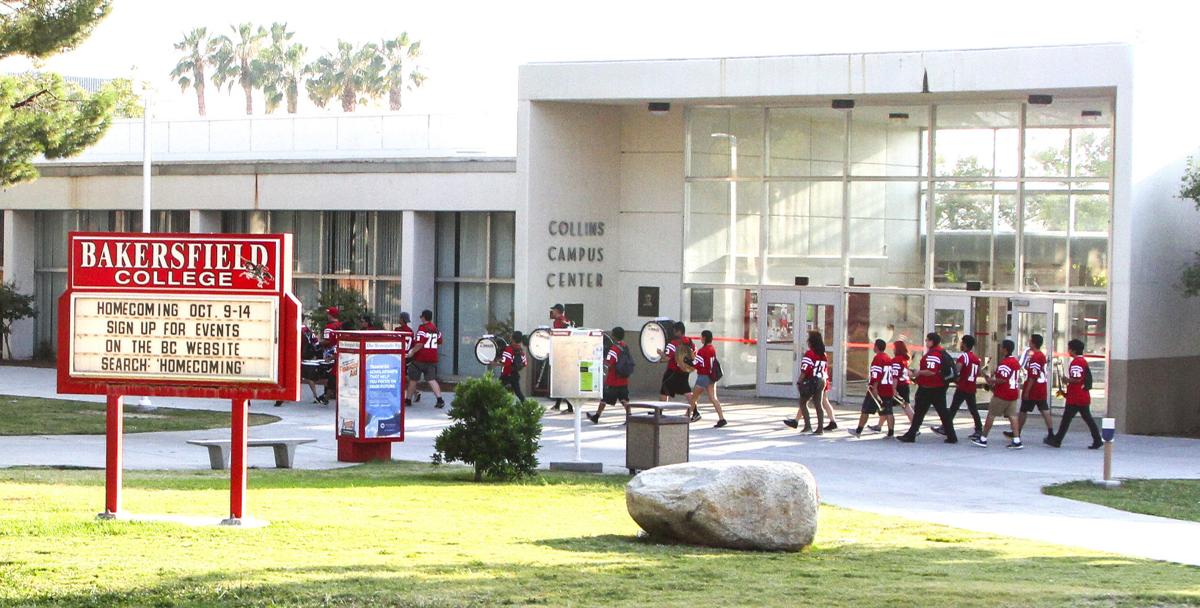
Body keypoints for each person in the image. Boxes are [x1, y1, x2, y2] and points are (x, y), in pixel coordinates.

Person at [898, 333, 956, 444]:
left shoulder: (933, 354)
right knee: (942, 413)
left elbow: (931, 371)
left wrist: (918, 372)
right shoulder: (941, 352)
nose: (926, 342)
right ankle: (951, 436)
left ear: (932, 341)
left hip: (929, 388)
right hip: (938, 387)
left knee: (920, 412)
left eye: (927, 340)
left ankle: (911, 435)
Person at [1045, 339, 1103, 449]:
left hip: (1075, 397)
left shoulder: (1076, 362)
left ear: (1073, 350)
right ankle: (1097, 439)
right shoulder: (1083, 361)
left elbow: (1077, 378)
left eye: (1069, 349)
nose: (1068, 351)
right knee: (1087, 419)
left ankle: (1057, 440)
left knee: (1066, 419)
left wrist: (1067, 380)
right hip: (1082, 396)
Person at [972, 339, 1024, 449]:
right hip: (1013, 393)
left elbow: (1002, 379)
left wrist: (991, 381)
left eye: (1001, 347)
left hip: (1002, 394)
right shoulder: (1015, 362)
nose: (1000, 349)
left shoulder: (1005, 363)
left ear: (1005, 349)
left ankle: (983, 438)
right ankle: (1017, 439)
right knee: (1013, 416)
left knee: (991, 415)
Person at [932, 335, 984, 441]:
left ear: (964, 344)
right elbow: (978, 372)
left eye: (961, 342)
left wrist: (952, 377)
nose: (960, 344)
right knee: (973, 409)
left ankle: (946, 427)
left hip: (963, 386)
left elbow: (957, 370)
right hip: (971, 386)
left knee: (953, 408)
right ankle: (979, 429)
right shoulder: (976, 358)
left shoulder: (964, 357)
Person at [783, 331, 827, 434]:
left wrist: (799, 382)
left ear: (811, 342)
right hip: (821, 380)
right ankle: (820, 428)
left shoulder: (809, 353)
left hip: (811, 381)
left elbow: (805, 369)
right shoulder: (823, 354)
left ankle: (808, 426)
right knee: (818, 404)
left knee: (803, 402)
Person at [1012, 334, 1054, 441]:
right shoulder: (1040, 355)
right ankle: (1050, 432)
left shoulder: (1036, 357)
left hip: (1034, 388)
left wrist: (1027, 391)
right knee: (1044, 409)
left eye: (1030, 341)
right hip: (1041, 387)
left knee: (1023, 410)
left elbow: (1033, 376)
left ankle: (1017, 432)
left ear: (1033, 343)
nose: (1028, 343)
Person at [849, 339, 896, 437]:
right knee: (889, 411)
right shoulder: (888, 358)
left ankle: (858, 431)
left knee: (865, 410)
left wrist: (874, 387)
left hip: (878, 389)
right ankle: (891, 432)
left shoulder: (878, 358)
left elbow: (876, 374)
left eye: (874, 345)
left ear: (877, 347)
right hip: (888, 388)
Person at [587, 327, 633, 424]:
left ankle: (596, 416)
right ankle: (629, 417)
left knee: (604, 398)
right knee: (624, 399)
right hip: (623, 378)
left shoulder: (614, 349)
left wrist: (599, 360)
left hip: (613, 379)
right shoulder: (625, 346)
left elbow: (609, 363)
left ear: (613, 336)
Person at [869, 340, 915, 433]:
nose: (893, 349)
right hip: (904, 385)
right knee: (892, 406)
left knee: (904, 406)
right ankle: (879, 425)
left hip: (899, 386)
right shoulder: (904, 359)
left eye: (894, 347)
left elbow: (895, 375)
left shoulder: (896, 360)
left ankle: (915, 427)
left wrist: (893, 388)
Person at [406, 310, 446, 408]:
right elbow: (440, 341)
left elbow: (419, 344)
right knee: (431, 379)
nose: (420, 318)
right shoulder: (436, 329)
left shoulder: (422, 329)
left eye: (421, 316)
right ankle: (440, 400)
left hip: (419, 358)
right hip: (432, 358)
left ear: (423, 317)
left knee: (413, 379)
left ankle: (408, 400)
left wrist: (411, 352)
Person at [687, 330, 728, 428]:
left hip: (703, 377)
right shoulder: (712, 349)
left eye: (701, 337)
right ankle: (722, 419)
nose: (700, 339)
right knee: (713, 398)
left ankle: (686, 417)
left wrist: (688, 361)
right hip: (711, 377)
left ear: (704, 338)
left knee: (694, 398)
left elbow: (696, 364)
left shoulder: (702, 350)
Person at [658, 322, 695, 402]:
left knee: (664, 390)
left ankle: (659, 410)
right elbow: (693, 354)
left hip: (673, 370)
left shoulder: (673, 343)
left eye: (674, 331)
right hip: (685, 369)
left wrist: (660, 353)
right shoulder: (690, 342)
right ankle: (694, 410)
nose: (673, 333)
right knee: (686, 390)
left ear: (679, 331)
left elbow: (668, 357)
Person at [548, 303, 575, 413]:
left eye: (554, 310)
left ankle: (569, 407)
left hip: (563, 354)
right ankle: (558, 405)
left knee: (563, 381)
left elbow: (566, 329)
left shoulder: (561, 321)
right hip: (561, 353)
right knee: (560, 381)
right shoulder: (557, 321)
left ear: (558, 311)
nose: (552, 312)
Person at [394, 312, 421, 406]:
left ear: (402, 319)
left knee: (402, 375)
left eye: (399, 318)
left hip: (400, 355)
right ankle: (415, 391)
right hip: (408, 356)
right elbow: (413, 343)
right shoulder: (410, 331)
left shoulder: (398, 330)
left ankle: (414, 391)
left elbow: (394, 341)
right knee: (404, 374)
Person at [498, 331, 528, 403]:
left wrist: (495, 363)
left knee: (497, 390)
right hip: (515, 375)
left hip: (506, 374)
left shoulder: (508, 349)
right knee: (518, 393)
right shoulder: (521, 351)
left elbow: (506, 363)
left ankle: (499, 407)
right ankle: (527, 406)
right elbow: (525, 363)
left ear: (512, 339)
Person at [820, 357, 838, 431]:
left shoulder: (812, 354)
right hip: (823, 379)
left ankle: (796, 420)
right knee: (825, 400)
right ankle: (832, 421)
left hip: (816, 380)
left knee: (804, 401)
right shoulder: (823, 354)